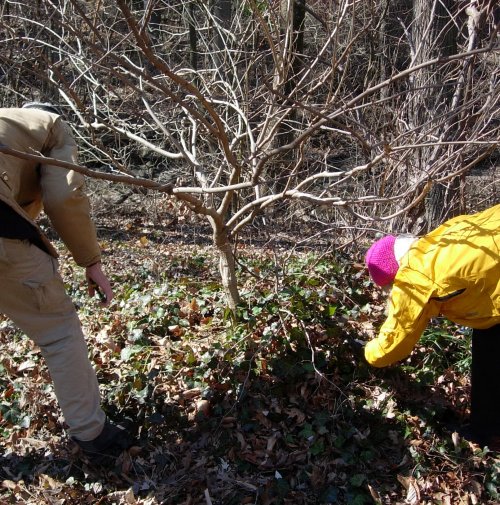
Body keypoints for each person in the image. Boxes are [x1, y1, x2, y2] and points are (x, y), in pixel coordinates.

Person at [0, 103, 132, 461]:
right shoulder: (52, 126)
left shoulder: (9, 125)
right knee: (58, 331)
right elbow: (64, 196)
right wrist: (91, 261)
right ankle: (94, 435)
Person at [364, 203, 500, 450]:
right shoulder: (440, 237)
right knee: (488, 341)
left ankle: (485, 434)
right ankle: (487, 428)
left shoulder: (414, 278)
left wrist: (366, 352)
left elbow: (394, 344)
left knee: (489, 356)